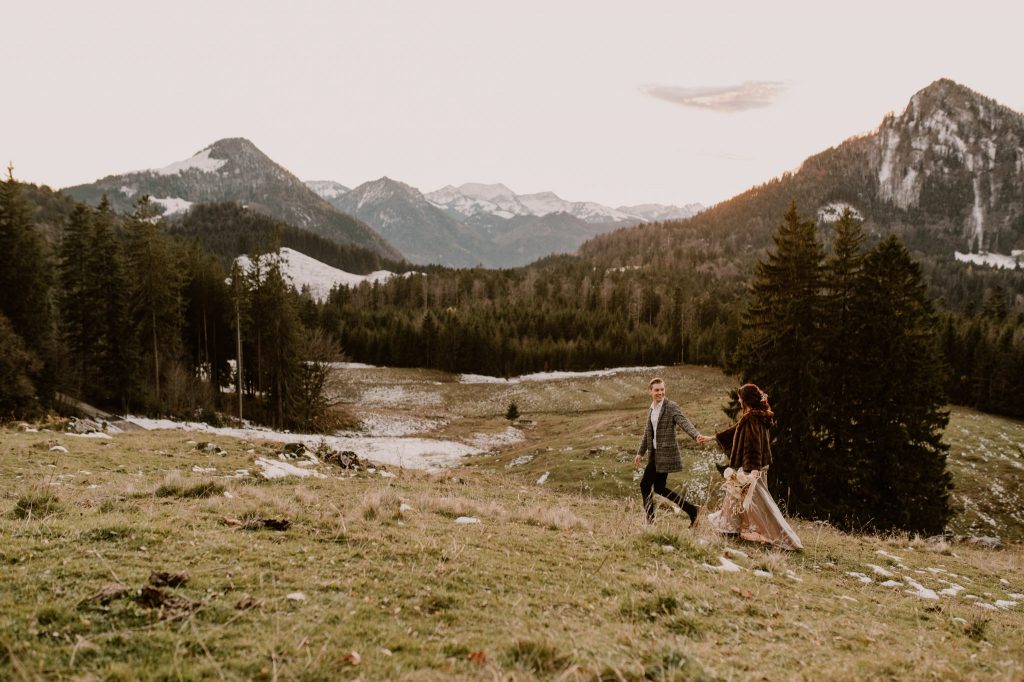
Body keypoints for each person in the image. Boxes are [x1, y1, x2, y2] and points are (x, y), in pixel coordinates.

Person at [698, 383, 802, 550]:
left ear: (746, 400)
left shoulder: (753, 418)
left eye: (740, 398)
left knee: (761, 504)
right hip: (754, 466)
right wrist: (712, 438)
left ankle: (784, 538)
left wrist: (753, 471)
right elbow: (735, 430)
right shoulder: (756, 415)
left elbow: (754, 445)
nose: (738, 400)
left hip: (752, 467)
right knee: (734, 496)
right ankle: (729, 529)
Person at [634, 377, 706, 525]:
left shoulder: (670, 406)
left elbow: (683, 421)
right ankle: (692, 511)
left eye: (662, 389)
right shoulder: (652, 408)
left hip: (664, 455)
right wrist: (640, 452)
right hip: (654, 453)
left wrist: (696, 435)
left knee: (645, 485)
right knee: (659, 488)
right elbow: (648, 433)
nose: (660, 392)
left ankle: (650, 521)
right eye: (656, 390)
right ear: (650, 392)